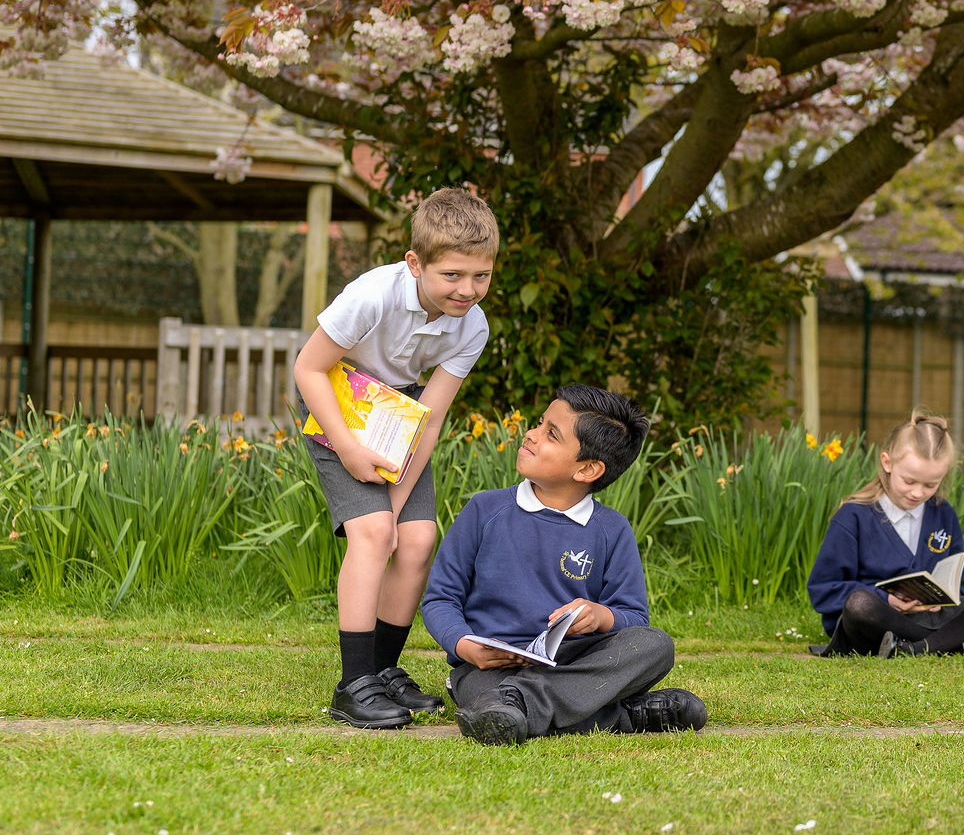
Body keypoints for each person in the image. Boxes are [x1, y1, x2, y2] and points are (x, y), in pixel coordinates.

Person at [293, 188, 497, 730]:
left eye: (481, 276)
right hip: (335, 401)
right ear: (415, 263)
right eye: (452, 275)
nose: (468, 290)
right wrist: (350, 447)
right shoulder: (372, 296)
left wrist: (397, 493)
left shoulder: (472, 327)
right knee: (372, 533)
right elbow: (308, 369)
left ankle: (382, 672)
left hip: (398, 414)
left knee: (416, 537)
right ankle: (352, 685)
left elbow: (428, 418)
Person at [421, 384, 706, 745]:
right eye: (540, 423)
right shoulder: (484, 510)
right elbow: (440, 599)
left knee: (655, 646)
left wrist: (601, 616)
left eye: (550, 434)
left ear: (587, 468)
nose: (531, 434)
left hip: (571, 661)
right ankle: (624, 715)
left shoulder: (611, 530)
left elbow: (633, 618)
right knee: (488, 696)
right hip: (491, 668)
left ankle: (525, 707)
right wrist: (463, 646)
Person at [806, 413, 964, 657]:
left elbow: (960, 583)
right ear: (887, 462)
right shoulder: (853, 516)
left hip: (933, 617)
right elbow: (824, 588)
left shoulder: (943, 513)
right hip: (879, 620)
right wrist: (887, 599)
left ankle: (911, 649)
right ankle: (958, 642)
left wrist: (942, 598)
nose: (917, 492)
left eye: (930, 484)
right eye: (909, 481)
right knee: (860, 604)